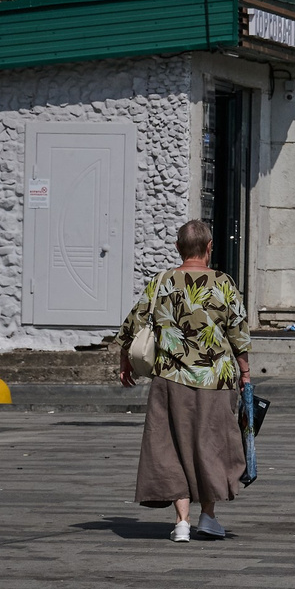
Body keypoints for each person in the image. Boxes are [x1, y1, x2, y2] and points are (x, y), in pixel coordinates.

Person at [120, 219, 253, 543]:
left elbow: (133, 324)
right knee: (212, 446)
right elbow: (238, 333)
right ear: (210, 248)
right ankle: (208, 517)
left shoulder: (162, 281)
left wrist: (125, 362)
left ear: (178, 248)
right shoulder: (223, 283)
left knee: (171, 447)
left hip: (170, 377)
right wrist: (245, 373)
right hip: (216, 379)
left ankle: (181, 521)